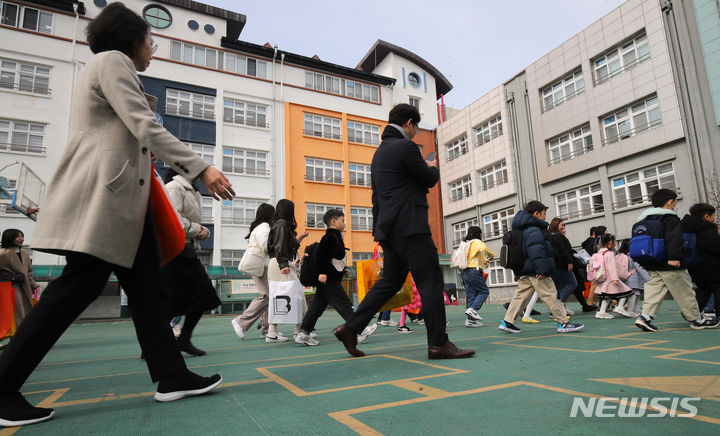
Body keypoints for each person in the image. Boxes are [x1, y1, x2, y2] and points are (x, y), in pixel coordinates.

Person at [0, 3, 235, 427]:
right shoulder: (112, 61)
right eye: (150, 40)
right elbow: (143, 123)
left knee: (148, 292)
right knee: (76, 287)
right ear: (130, 39)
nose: (153, 49)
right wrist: (201, 167)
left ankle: (171, 375)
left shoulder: (108, 65)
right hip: (106, 199)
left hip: (126, 201)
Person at [333, 104, 474, 360]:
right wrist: (431, 165)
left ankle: (351, 328)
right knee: (430, 282)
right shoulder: (405, 147)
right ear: (409, 122)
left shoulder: (380, 153)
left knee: (391, 281)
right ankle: (438, 343)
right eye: (416, 127)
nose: (416, 132)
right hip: (411, 226)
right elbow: (428, 179)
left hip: (389, 229)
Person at [633, 189, 719, 332]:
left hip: (652, 262)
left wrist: (643, 261)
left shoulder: (645, 219)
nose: (675, 204)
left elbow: (639, 242)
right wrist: (674, 257)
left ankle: (644, 317)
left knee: (654, 290)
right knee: (685, 291)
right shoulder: (669, 218)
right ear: (670, 202)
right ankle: (697, 320)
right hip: (670, 263)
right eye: (675, 201)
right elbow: (674, 239)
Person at [160, 169, 221, 356]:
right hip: (174, 250)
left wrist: (202, 231)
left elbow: (188, 222)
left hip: (187, 249)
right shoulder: (174, 187)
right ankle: (157, 343)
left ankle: (181, 340)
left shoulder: (192, 192)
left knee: (200, 297)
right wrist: (197, 229)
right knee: (182, 299)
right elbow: (173, 219)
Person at [499, 201, 584, 334]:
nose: (545, 216)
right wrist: (542, 270)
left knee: (520, 296)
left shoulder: (520, 228)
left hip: (524, 270)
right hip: (536, 270)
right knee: (551, 294)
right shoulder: (534, 228)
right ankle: (563, 322)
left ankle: (508, 322)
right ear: (536, 214)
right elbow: (536, 250)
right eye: (544, 213)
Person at [295, 209, 356, 345]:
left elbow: (333, 258)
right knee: (343, 303)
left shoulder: (335, 236)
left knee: (317, 306)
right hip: (328, 278)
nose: (345, 224)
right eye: (342, 221)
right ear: (334, 222)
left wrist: (343, 270)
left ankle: (304, 333)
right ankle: (358, 329)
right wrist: (322, 272)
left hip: (330, 276)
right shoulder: (329, 237)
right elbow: (321, 256)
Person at [266, 199, 309, 342]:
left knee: (278, 298)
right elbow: (280, 246)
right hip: (281, 264)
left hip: (277, 263)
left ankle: (272, 332)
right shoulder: (282, 224)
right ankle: (299, 331)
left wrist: (300, 238)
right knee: (297, 297)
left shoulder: (279, 224)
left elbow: (284, 245)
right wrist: (284, 264)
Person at [232, 203, 274, 340]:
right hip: (262, 265)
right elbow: (266, 246)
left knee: (270, 296)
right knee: (267, 295)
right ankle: (241, 322)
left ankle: (266, 328)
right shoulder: (265, 228)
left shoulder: (258, 227)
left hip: (260, 265)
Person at [681, 203, 720, 319]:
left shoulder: (686, 228)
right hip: (712, 266)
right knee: (718, 288)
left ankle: (690, 313)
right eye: (713, 216)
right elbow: (717, 248)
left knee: (704, 290)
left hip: (694, 266)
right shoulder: (708, 229)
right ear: (706, 216)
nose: (714, 219)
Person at [0, 230, 38, 333]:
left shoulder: (25, 254)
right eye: (18, 237)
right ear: (9, 238)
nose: (21, 239)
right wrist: (8, 278)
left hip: (24, 288)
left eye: (22, 236)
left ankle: (19, 338)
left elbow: (28, 272)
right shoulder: (3, 254)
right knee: (16, 315)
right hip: (10, 289)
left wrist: (33, 284)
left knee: (24, 313)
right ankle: (16, 339)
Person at [592, 234, 633, 319]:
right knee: (627, 292)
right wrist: (615, 278)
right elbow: (611, 267)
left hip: (603, 278)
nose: (615, 243)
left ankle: (602, 311)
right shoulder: (609, 253)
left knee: (606, 296)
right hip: (611, 278)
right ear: (610, 242)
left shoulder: (600, 252)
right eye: (614, 241)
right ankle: (620, 307)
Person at [461, 226, 494, 327]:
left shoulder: (467, 243)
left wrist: (484, 261)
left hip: (465, 271)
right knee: (484, 291)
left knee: (471, 296)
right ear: (479, 234)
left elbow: (472, 257)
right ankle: (473, 309)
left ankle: (470, 321)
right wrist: (491, 255)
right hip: (474, 271)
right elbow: (485, 249)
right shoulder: (477, 242)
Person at [617, 239, 649, 316]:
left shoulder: (626, 255)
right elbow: (639, 267)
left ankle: (636, 309)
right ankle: (630, 310)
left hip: (634, 280)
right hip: (634, 280)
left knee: (637, 295)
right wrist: (647, 278)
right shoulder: (633, 255)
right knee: (634, 295)